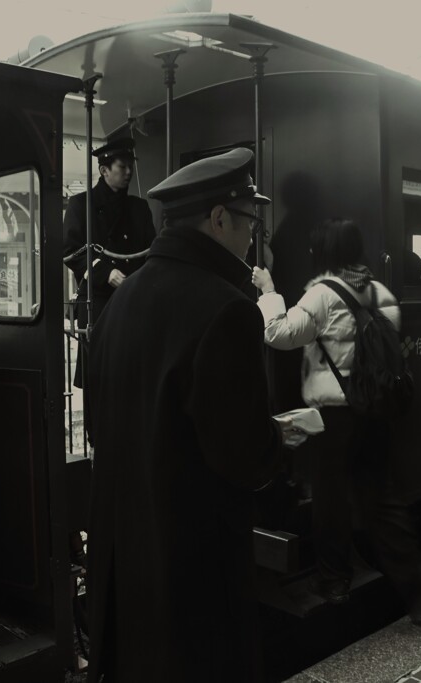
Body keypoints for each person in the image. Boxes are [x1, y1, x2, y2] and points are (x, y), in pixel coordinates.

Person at [84, 148, 295, 683]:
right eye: (250, 220)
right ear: (219, 218)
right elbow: (244, 458)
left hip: (126, 571)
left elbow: (97, 428)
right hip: (192, 574)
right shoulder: (227, 309)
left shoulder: (119, 305)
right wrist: (280, 438)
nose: (253, 235)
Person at [251, 219, 421, 621]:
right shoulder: (380, 292)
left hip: (335, 416)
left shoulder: (322, 294)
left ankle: (334, 580)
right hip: (375, 409)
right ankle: (415, 575)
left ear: (325, 254)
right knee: (381, 497)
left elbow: (279, 334)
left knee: (330, 498)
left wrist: (269, 293)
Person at [63, 137, 156, 384]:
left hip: (134, 299)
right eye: (122, 167)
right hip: (98, 300)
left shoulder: (139, 208)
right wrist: (105, 272)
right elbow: (70, 251)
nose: (128, 172)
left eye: (130, 167)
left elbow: (151, 251)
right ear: (104, 170)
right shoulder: (80, 205)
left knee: (132, 376)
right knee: (101, 377)